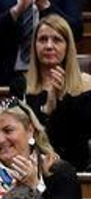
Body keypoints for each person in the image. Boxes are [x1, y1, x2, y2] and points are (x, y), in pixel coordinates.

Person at [11, 14, 91, 171]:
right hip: (32, 169)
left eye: (57, 40)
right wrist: (48, 108)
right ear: (34, 45)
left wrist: (63, 100)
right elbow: (21, 135)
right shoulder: (20, 86)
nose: (49, 46)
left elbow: (81, 135)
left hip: (76, 169)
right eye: (42, 39)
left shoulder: (86, 85)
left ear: (68, 46)